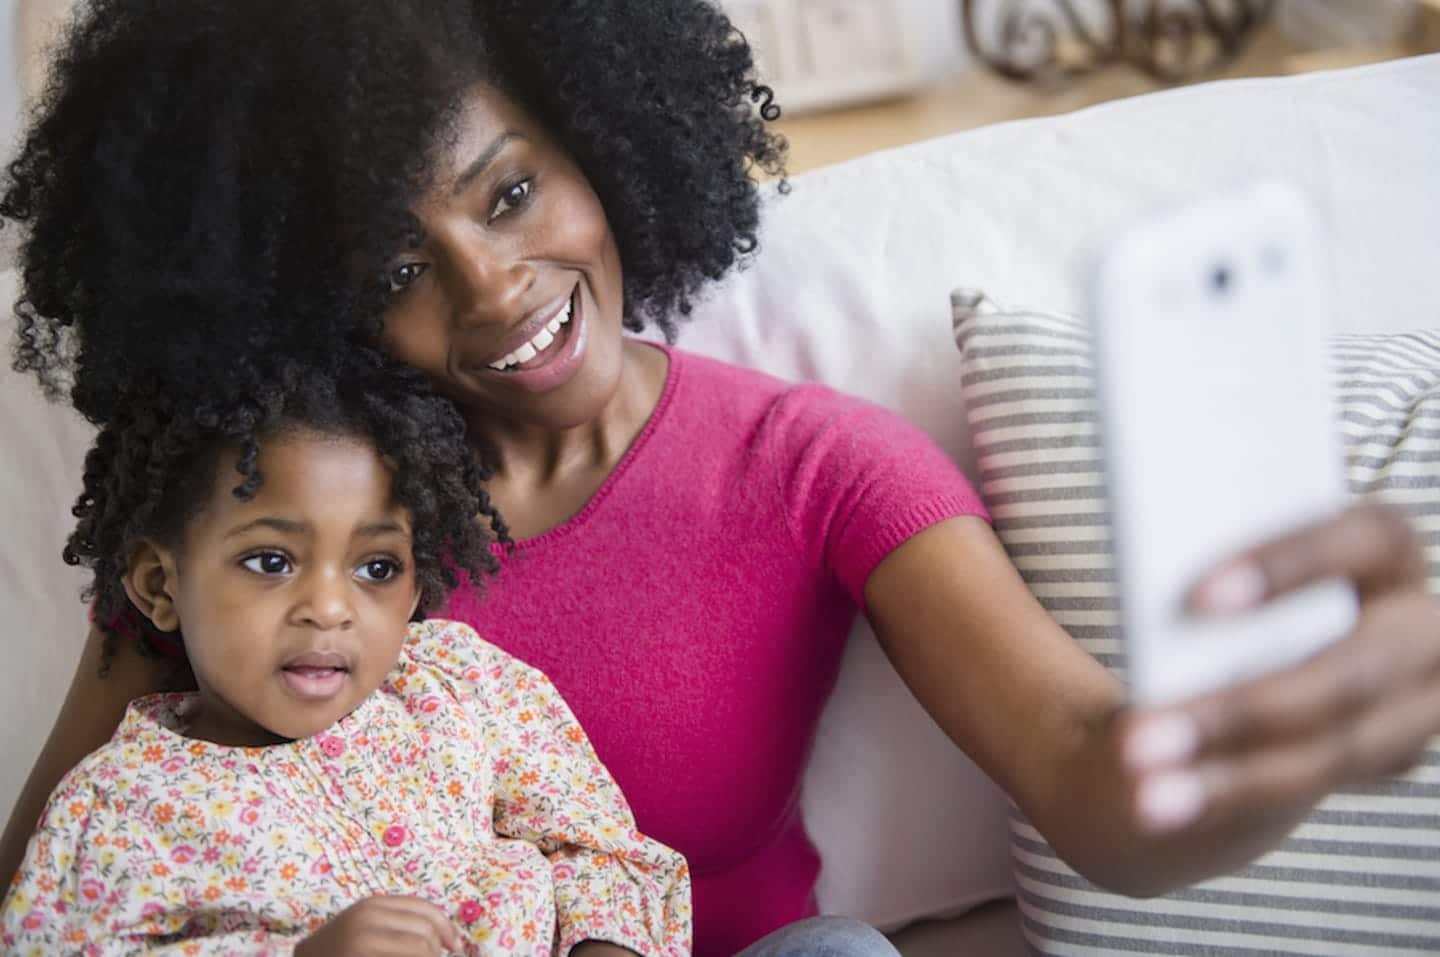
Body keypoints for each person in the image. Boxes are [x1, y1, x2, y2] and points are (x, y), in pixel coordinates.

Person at [4, 0, 1438, 954]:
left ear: (600, 141)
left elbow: (1085, 767)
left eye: (510, 193)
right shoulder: (269, 525)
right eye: (395, 268)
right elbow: (49, 900)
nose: (495, 287)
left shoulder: (809, 464)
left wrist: (1266, 747)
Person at [0, 349, 691, 955]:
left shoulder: (461, 686)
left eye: (377, 568)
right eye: (271, 560)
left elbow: (599, 850)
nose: (329, 609)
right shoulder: (120, 806)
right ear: (159, 583)